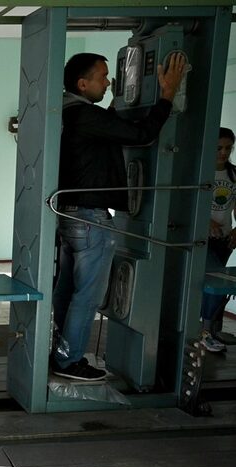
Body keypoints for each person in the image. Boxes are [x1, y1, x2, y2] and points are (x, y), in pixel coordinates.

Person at [52, 52, 186, 381]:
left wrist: (113, 105)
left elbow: (102, 135)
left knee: (67, 290)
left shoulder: (70, 113)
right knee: (88, 296)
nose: (108, 81)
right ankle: (68, 362)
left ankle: (59, 353)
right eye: (103, 77)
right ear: (83, 84)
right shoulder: (84, 114)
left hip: (71, 215)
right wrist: (167, 94)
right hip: (90, 219)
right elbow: (143, 135)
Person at [199, 127, 236, 353]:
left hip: (225, 238)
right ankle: (206, 331)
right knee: (211, 284)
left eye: (228, 148)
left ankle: (213, 331)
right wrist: (205, 221)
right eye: (219, 148)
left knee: (220, 285)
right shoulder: (202, 171)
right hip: (204, 238)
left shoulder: (233, 175)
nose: (223, 153)